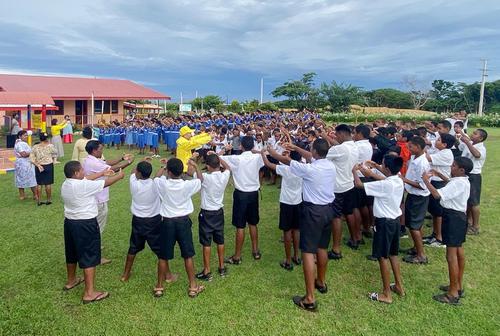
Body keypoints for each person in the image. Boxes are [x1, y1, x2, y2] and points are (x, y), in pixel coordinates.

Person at [269, 139, 335, 311]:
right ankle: (320, 281)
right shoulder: (329, 165)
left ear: (314, 152)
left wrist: (271, 152)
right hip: (328, 210)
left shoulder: (309, 169)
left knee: (307, 251)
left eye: (311, 149)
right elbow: (310, 156)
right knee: (322, 248)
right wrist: (297, 147)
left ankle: (310, 298)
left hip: (313, 212)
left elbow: (287, 161)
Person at [61, 160, 124, 304]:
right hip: (85, 224)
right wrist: (119, 176)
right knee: (89, 254)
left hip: (70, 223)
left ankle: (71, 280)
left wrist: (102, 173)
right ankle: (89, 293)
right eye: (82, 170)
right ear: (76, 173)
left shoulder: (67, 183)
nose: (84, 172)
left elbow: (86, 179)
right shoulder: (83, 186)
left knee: (71, 253)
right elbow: (106, 183)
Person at [353, 156, 405, 304]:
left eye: (382, 165)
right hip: (394, 221)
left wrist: (355, 171)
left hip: (384, 224)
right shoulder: (398, 179)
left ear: (387, 169)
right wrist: (373, 167)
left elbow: (358, 184)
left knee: (382, 257)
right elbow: (382, 176)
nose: (381, 167)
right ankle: (399, 286)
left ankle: (386, 294)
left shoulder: (385, 185)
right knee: (393, 254)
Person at [422, 157, 473, 305]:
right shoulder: (463, 180)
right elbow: (451, 182)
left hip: (452, 218)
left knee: (451, 256)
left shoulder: (458, 183)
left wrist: (426, 181)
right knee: (458, 251)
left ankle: (452, 294)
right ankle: (457, 285)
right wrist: (439, 174)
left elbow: (438, 195)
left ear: (461, 170)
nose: (451, 167)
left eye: (454, 166)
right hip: (459, 217)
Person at [153, 158, 205, 298]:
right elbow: (200, 180)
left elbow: (156, 178)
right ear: (181, 171)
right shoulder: (186, 185)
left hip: (167, 222)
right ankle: (193, 286)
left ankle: (159, 286)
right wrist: (195, 166)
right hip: (183, 222)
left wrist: (163, 166)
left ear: (168, 172)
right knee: (188, 255)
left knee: (163, 256)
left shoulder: (163, 184)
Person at [121, 160, 178, 283]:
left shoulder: (134, 183)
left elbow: (132, 172)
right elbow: (158, 176)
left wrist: (140, 162)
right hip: (154, 221)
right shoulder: (156, 184)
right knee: (160, 249)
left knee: (133, 247)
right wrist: (164, 166)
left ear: (138, 173)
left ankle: (125, 274)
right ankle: (168, 275)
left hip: (138, 220)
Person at [82, 140, 134, 264]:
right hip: (98, 199)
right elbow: (113, 168)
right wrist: (128, 162)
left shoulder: (91, 159)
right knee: (97, 228)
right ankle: (96, 256)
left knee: (96, 227)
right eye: (100, 149)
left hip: (95, 198)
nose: (102, 151)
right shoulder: (94, 163)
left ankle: (94, 247)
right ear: (94, 151)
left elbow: (106, 163)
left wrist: (121, 157)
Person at [221, 136, 265, 264]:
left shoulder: (236, 159)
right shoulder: (257, 157)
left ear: (241, 146)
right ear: (253, 146)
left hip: (241, 194)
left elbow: (218, 159)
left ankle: (237, 256)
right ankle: (255, 251)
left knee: (240, 225)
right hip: (253, 194)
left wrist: (223, 150)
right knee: (253, 223)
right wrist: (255, 150)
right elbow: (263, 154)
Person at [188, 153, 231, 280]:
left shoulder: (205, 177)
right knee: (220, 240)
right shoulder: (224, 176)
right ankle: (222, 266)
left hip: (207, 213)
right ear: (218, 164)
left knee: (206, 243)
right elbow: (228, 168)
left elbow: (192, 173)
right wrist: (218, 156)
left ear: (207, 166)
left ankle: (207, 270)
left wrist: (194, 162)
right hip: (219, 212)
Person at [263, 147, 303, 270]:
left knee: (287, 231)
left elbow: (268, 164)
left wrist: (263, 154)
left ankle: (288, 260)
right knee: (296, 230)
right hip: (298, 201)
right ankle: (296, 256)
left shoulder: (286, 169)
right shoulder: (303, 169)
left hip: (286, 202)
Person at [325, 124, 359, 258]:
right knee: (349, 212)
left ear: (342, 134)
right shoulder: (354, 146)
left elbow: (320, 156)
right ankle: (355, 238)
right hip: (349, 184)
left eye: (336, 134)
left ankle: (336, 249)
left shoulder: (340, 149)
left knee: (336, 216)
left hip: (337, 187)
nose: (335, 137)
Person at [400, 136, 430, 264]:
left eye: (410, 146)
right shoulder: (414, 157)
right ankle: (416, 248)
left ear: (418, 147)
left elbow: (422, 185)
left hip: (419, 197)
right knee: (416, 224)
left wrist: (404, 180)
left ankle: (421, 255)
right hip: (413, 195)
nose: (408, 148)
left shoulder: (422, 163)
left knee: (414, 227)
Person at [424, 133, 455, 248]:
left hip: (439, 183)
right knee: (434, 211)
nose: (435, 142)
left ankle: (439, 238)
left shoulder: (446, 154)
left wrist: (422, 147)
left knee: (438, 212)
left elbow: (427, 158)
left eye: (438, 140)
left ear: (445, 144)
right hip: (436, 181)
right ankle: (435, 234)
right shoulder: (441, 151)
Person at [457, 129, 487, 235]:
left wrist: (467, 143)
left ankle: (476, 226)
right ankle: (468, 222)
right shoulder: (469, 143)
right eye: (472, 132)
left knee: (474, 202)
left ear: (480, 138)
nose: (472, 134)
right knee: (467, 200)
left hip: (474, 176)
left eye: (475, 133)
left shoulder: (481, 148)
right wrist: (458, 139)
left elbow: (477, 155)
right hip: (466, 175)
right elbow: (459, 147)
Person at [30, 132, 57, 205]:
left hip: (39, 166)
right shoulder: (50, 146)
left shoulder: (35, 147)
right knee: (48, 184)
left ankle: (39, 201)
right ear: (47, 138)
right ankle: (48, 200)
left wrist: (37, 165)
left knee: (39, 184)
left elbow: (31, 158)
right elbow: (55, 152)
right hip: (48, 165)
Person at [14, 130, 37, 201]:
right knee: (31, 178)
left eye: (27, 135)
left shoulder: (19, 143)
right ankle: (35, 195)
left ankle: (22, 195)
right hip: (24, 163)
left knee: (20, 179)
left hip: (21, 163)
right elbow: (23, 154)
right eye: (24, 135)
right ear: (20, 136)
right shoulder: (20, 144)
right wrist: (32, 153)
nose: (26, 137)